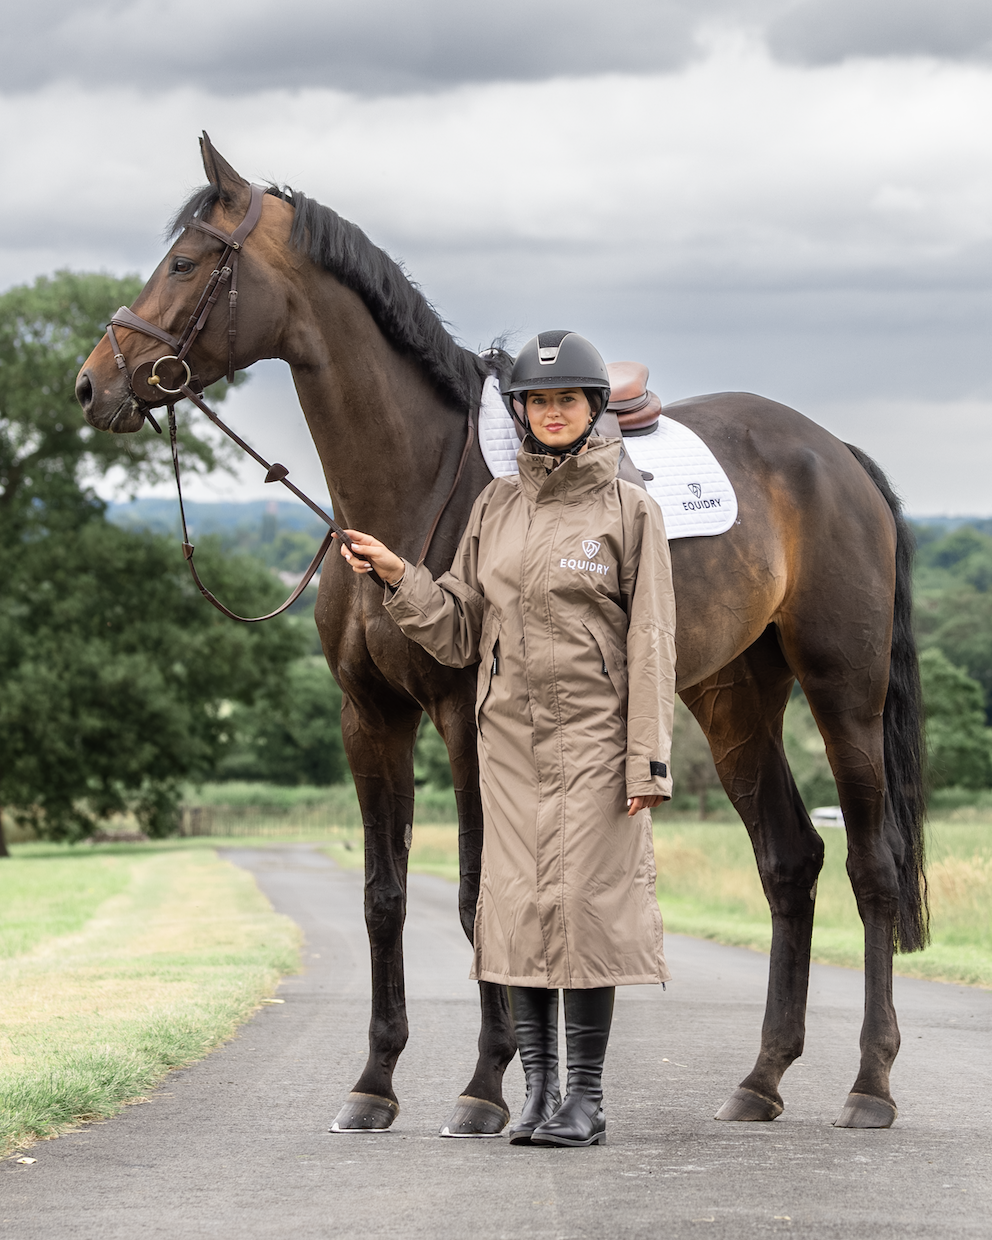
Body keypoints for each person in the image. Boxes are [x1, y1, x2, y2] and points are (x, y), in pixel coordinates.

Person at [338, 330, 677, 1147]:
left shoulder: (630, 511)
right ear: (520, 413)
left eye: (566, 400)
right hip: (510, 749)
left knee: (589, 915)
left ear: (593, 409)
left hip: (597, 745)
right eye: (537, 401)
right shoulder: (495, 507)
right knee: (517, 919)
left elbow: (653, 645)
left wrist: (648, 759)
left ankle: (586, 1101)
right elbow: (457, 631)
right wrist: (397, 578)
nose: (552, 413)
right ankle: (536, 1095)